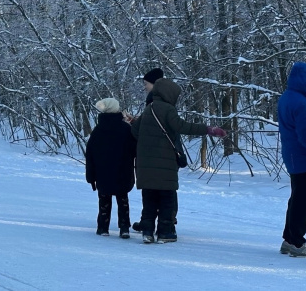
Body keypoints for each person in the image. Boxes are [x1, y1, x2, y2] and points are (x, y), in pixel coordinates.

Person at [130, 78, 226, 243]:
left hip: (145, 167)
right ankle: (165, 233)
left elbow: (135, 131)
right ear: (169, 94)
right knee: (166, 199)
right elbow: (182, 126)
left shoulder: (148, 109)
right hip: (165, 165)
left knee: (149, 200)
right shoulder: (168, 109)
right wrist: (208, 129)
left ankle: (147, 231)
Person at [277, 62, 306, 258]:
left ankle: (289, 239)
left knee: (296, 199)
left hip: (294, 156)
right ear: (305, 82)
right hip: (304, 158)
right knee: (304, 202)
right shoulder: (302, 104)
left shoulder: (288, 97)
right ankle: (297, 242)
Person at [85, 98, 137, 238]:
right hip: (123, 172)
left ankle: (103, 227)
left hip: (103, 173)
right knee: (123, 199)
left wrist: (91, 176)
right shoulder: (126, 129)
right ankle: (124, 228)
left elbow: (90, 154)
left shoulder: (97, 131)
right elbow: (135, 150)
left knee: (104, 200)